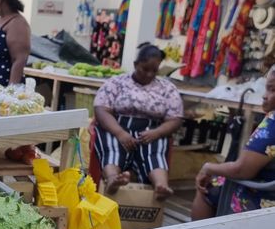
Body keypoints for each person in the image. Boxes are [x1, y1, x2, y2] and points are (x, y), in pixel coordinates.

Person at [93, 43, 183, 199]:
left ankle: (161, 186)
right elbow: (101, 110)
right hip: (118, 127)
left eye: (154, 71)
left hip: (151, 132)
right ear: (135, 64)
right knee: (112, 147)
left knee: (155, 153)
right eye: (144, 69)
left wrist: (157, 132)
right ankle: (113, 179)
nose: (149, 74)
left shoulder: (167, 88)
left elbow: (175, 119)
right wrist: (120, 133)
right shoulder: (117, 82)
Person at [192, 67, 275, 219]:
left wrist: (208, 168)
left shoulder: (272, 125)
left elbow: (242, 170)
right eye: (266, 89)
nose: (264, 96)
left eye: (272, 90)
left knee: (207, 186)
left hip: (266, 198)